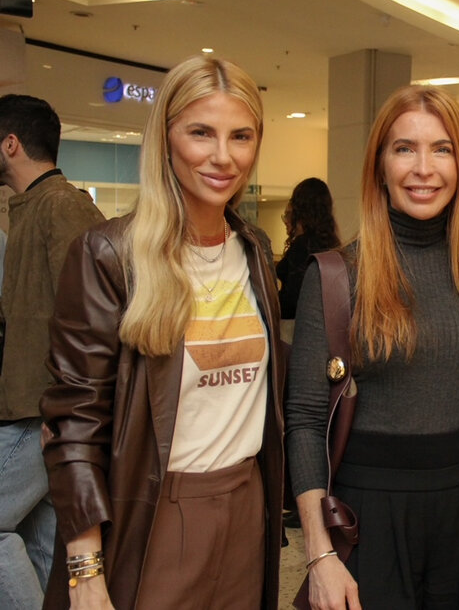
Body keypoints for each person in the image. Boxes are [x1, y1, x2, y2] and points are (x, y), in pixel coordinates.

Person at [39, 56, 285, 609]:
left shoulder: (254, 251)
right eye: (201, 132)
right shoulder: (109, 255)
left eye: (240, 136)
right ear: (166, 139)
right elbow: (74, 423)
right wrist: (86, 572)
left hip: (247, 507)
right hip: (155, 514)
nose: (223, 156)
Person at [287, 85, 459, 610]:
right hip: (371, 516)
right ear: (380, 166)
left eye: (442, 149)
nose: (423, 168)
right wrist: (320, 555)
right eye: (404, 148)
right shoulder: (338, 274)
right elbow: (303, 419)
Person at [0, 94, 104, 610]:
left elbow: (95, 314)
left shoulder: (63, 205)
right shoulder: (29, 209)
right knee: (41, 543)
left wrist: (70, 411)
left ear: (11, 144)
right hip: (29, 405)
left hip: (43, 409)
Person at [276, 177, 340, 320]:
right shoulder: (333, 244)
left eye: (289, 213)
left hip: (300, 328)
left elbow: (291, 301)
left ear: (300, 210)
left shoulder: (302, 246)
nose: (286, 220)